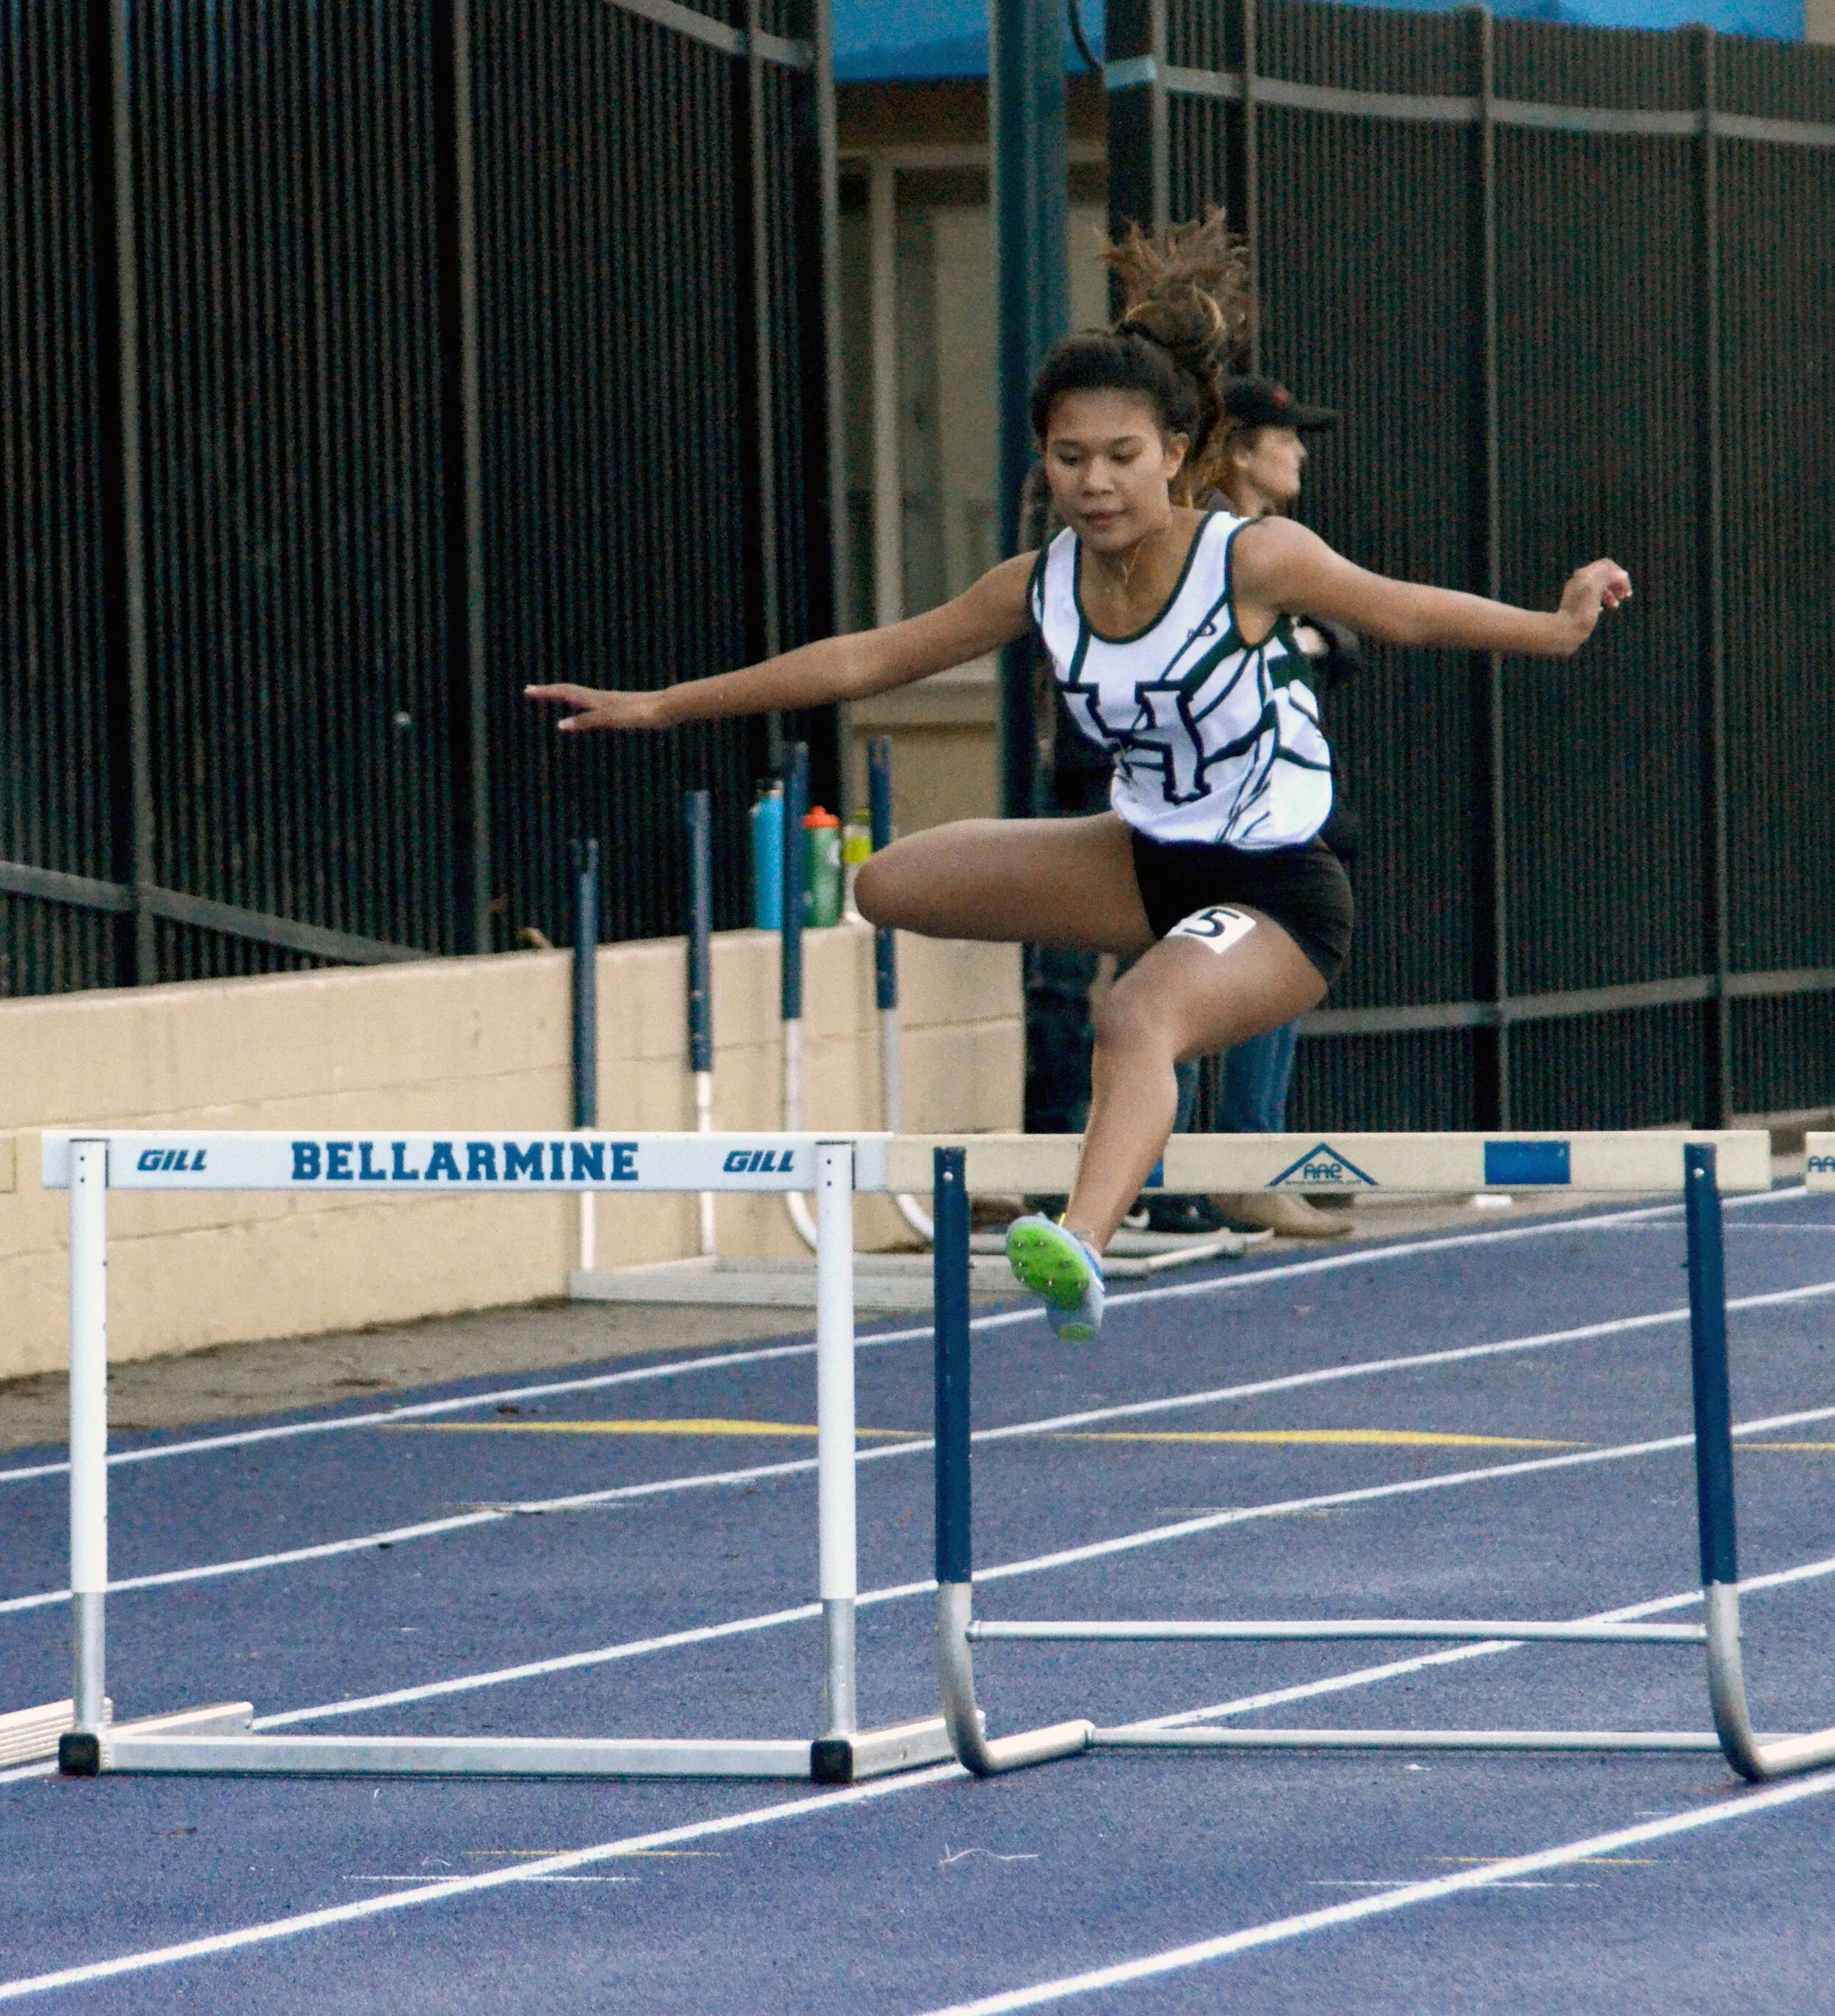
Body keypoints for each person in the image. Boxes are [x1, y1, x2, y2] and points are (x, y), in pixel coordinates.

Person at [526, 214, 1630, 1343]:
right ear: (1043, 459)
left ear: (1177, 454)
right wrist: (661, 704)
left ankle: (1082, 1251)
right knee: (889, 885)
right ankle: (1110, 1152)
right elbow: (866, 658)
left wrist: (1557, 624)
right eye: (1068, 459)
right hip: (1144, 860)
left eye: (1121, 458)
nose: (1095, 485)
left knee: (1136, 1012)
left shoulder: (1250, 560)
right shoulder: (1038, 581)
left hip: (1282, 892)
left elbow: (1407, 611)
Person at [1204, 374, 1360, 1240]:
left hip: (1277, 791)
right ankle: (1217, 1167)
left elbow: (1349, 628)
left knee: (1264, 967)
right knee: (1194, 972)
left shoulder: (1280, 545)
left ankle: (1238, 1162)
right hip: (1216, 797)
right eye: (1285, 435)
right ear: (1236, 451)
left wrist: (1305, 640)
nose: (1300, 450)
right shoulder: (1214, 545)